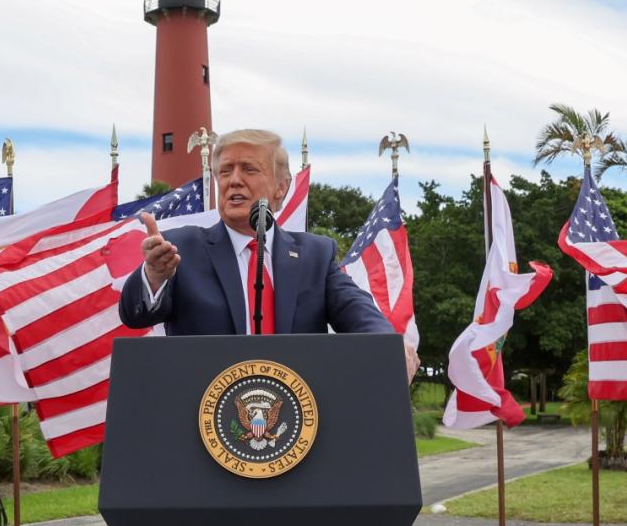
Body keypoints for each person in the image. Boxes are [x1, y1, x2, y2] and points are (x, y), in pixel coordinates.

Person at [118, 127, 420, 378]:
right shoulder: (183, 248)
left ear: (281, 187)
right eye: (225, 171)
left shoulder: (315, 254)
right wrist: (154, 276)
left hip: (295, 423)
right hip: (205, 420)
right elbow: (136, 314)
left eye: (249, 169)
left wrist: (390, 347)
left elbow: (359, 314)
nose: (234, 179)